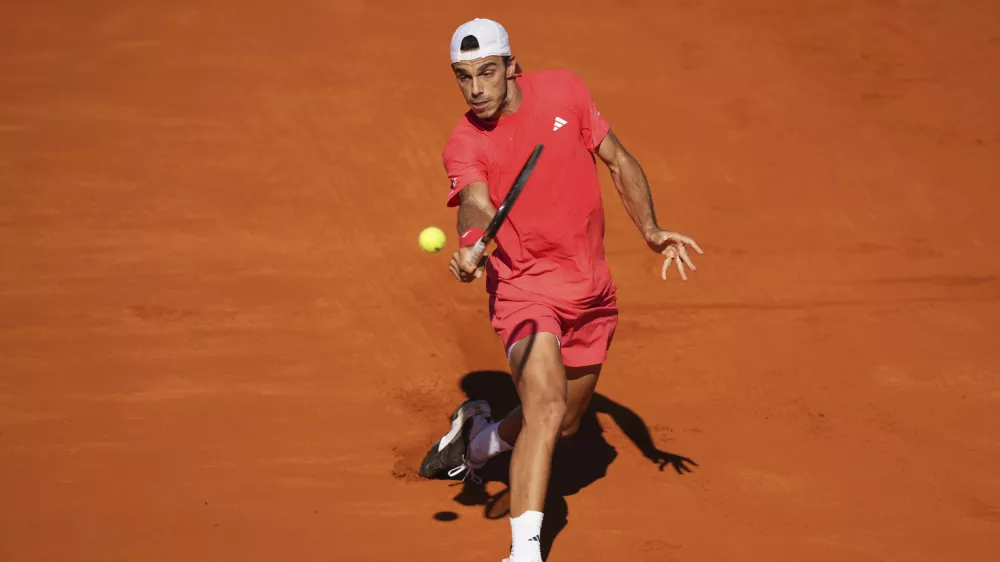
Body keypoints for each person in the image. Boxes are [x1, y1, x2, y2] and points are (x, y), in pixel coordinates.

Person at [418, 17, 703, 562]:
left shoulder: (566, 91)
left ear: (511, 67)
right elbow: (476, 202)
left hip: (591, 289)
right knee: (546, 407)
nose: (476, 89)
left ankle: (476, 440)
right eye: (463, 76)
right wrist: (473, 242)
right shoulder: (463, 141)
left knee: (566, 422)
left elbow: (617, 160)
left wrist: (651, 229)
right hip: (524, 290)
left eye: (487, 72)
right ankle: (525, 554)